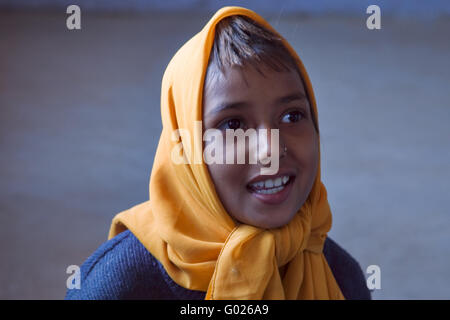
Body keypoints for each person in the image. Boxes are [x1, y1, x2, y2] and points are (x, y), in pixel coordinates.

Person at [65, 6, 371, 300]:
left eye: (291, 116)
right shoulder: (120, 285)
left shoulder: (341, 277)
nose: (271, 149)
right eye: (233, 124)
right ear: (186, 148)